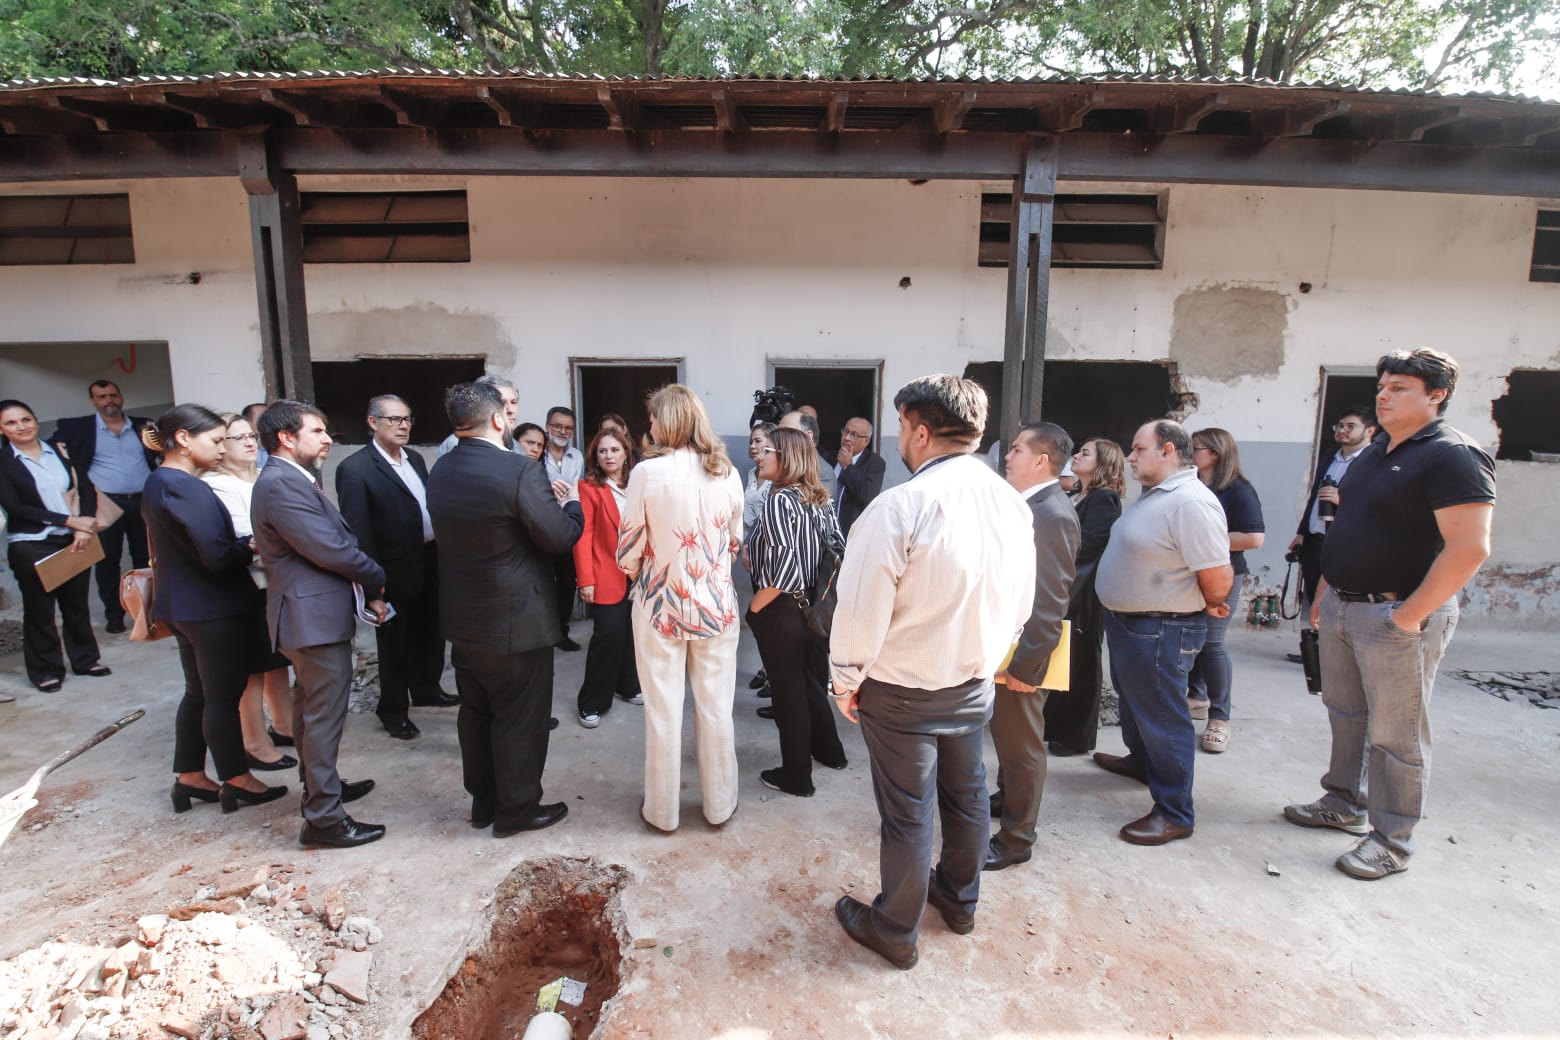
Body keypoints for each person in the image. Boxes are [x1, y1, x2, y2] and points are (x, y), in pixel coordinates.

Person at [828, 375, 1035, 970]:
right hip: (971, 683)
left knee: (908, 811)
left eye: (901, 427)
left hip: (902, 691)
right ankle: (959, 898)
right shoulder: (1010, 503)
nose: (900, 438)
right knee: (966, 796)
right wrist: (988, 657)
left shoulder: (900, 506)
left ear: (920, 431)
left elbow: (861, 607)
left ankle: (895, 927)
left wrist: (844, 681)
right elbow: (1022, 599)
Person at [1285, 348, 1494, 881]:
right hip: (1343, 607)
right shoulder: (1374, 452)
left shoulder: (1452, 455)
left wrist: (1409, 617)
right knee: (1346, 714)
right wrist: (1326, 591)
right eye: (1383, 385)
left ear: (1437, 395)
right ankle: (1343, 803)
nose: (1384, 394)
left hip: (1396, 615)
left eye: (1400, 387)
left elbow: (1469, 548)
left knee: (1396, 734)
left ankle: (1392, 839)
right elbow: (1350, 527)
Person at [428, 383, 584, 838]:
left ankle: (484, 803)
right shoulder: (517, 470)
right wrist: (571, 505)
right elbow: (557, 537)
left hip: (464, 617)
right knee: (520, 718)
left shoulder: (441, 468)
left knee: (476, 715)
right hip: (516, 620)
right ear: (498, 420)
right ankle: (516, 809)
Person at [252, 400, 389, 850]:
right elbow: (330, 548)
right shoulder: (280, 485)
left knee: (310, 714)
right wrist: (376, 577)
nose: (327, 438)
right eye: (317, 430)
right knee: (323, 716)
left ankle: (321, 791)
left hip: (311, 616)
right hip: (310, 619)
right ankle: (325, 820)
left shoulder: (289, 479)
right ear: (286, 438)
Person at [142, 405, 287, 814]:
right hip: (212, 608)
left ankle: (189, 775)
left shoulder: (158, 481)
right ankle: (236, 778)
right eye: (216, 440)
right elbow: (217, 556)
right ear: (184, 440)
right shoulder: (190, 487)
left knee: (199, 693)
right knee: (222, 697)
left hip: (183, 606)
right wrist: (250, 545)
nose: (223, 449)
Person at [1093, 420, 1233, 846]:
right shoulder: (1159, 495)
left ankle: (1175, 812)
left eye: (1138, 449)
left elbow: (1217, 578)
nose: (1131, 458)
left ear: (1168, 450)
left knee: (1164, 716)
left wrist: (1208, 602)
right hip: (1132, 623)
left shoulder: (1191, 503)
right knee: (1137, 705)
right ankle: (1142, 762)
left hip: (1162, 628)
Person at [617, 384, 745, 832]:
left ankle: (663, 812)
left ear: (666, 420)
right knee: (715, 709)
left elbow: (629, 547)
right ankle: (720, 805)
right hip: (716, 606)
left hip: (659, 606)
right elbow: (734, 541)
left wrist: (643, 573)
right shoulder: (727, 472)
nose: (647, 425)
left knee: (663, 710)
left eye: (651, 417)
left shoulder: (646, 474)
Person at [335, 395, 456, 743]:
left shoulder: (415, 459)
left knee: (432, 632)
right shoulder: (356, 469)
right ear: (373, 422)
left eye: (407, 419)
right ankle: (393, 710)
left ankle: (426, 688)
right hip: (391, 570)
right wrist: (372, 587)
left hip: (429, 559)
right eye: (394, 419)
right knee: (395, 644)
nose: (403, 426)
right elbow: (358, 532)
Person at [986, 422, 1080, 871]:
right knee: (1007, 739)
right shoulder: (1031, 506)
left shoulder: (1052, 514)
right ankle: (1008, 801)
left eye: (1018, 449)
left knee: (1022, 746)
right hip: (1008, 643)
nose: (1008, 456)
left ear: (1041, 460)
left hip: (1025, 652)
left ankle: (1017, 838)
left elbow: (1050, 600)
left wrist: (1027, 668)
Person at [745, 427, 848, 797]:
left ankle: (796, 775)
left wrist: (754, 610)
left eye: (767, 449)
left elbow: (784, 571)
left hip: (782, 609)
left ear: (786, 457)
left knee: (788, 696)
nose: (760, 455)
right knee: (808, 684)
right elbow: (837, 548)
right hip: (812, 606)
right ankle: (831, 752)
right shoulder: (817, 497)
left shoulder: (779, 501)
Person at [203, 412, 295, 770]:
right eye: (237, 438)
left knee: (275, 662)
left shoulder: (260, 476)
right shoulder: (216, 485)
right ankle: (255, 743)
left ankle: (284, 726)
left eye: (251, 436)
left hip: (273, 582)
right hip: (245, 585)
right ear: (220, 447)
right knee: (251, 671)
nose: (249, 443)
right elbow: (248, 534)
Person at [0, 400, 111, 692]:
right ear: (1, 429)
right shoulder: (4, 462)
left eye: (25, 418)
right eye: (11, 423)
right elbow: (15, 506)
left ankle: (85, 660)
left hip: (76, 537)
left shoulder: (60, 450)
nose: (21, 426)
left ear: (36, 419)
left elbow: (85, 488)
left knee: (76, 605)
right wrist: (68, 521)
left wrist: (84, 525)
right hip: (32, 543)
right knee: (40, 610)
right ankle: (46, 670)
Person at [49, 380, 158, 634]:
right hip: (106, 502)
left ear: (121, 397)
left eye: (113, 395)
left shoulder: (143, 425)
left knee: (147, 559)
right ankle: (114, 615)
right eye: (101, 396)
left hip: (143, 499)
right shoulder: (79, 428)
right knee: (108, 561)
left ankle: (147, 613)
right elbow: (52, 449)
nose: (109, 400)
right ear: (93, 401)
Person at [1042, 437, 1125, 756]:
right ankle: (1058, 727)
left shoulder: (1104, 499)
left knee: (1083, 664)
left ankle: (1077, 737)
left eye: (1085, 453)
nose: (1076, 456)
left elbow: (1088, 545)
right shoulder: (1080, 494)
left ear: (1103, 463)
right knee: (1068, 660)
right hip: (1070, 586)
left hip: (1085, 593)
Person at [1187, 428, 1265, 753]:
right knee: (1194, 637)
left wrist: (1203, 542)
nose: (1190, 454)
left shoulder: (1239, 491)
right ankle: (1196, 696)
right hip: (1192, 573)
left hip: (1225, 574)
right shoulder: (1192, 485)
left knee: (1213, 642)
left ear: (1215, 453)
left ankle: (1220, 718)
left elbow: (1254, 538)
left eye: (1196, 449)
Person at [1286, 405, 1377, 662]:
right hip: (1317, 536)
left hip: (1346, 539)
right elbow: (1315, 495)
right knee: (1315, 592)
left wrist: (1343, 499)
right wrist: (1302, 531)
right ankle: (1318, 649)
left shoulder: (1373, 461)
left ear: (1370, 431)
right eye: (1340, 426)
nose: (1343, 431)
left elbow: (1373, 503)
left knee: (1337, 596)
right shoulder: (1330, 457)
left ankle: (1336, 654)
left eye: (1351, 426)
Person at [573, 427, 643, 728]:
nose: (609, 455)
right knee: (609, 635)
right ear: (595, 456)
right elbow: (583, 535)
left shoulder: (638, 483)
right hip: (605, 573)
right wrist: (585, 579)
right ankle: (591, 701)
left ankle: (627, 685)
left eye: (614, 449)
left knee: (632, 635)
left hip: (639, 573)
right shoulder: (589, 487)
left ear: (626, 452)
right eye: (602, 451)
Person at [541, 406, 585, 651]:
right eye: (558, 426)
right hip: (541, 526)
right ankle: (543, 634)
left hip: (567, 528)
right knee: (542, 581)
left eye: (568, 428)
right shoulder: (537, 454)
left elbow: (578, 492)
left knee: (567, 582)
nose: (563, 431)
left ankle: (561, 633)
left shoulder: (576, 457)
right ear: (548, 426)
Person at [438, 375, 520, 456]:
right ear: (481, 405)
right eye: (502, 403)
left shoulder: (517, 447)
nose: (511, 410)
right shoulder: (457, 444)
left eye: (513, 402)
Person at [834, 416, 886, 541]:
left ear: (866, 441)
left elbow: (868, 495)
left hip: (851, 535)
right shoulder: (830, 457)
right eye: (846, 432)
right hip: (824, 531)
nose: (847, 438)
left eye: (854, 435)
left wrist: (847, 467)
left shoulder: (875, 463)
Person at [778, 410, 837, 503]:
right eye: (778, 433)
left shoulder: (822, 473)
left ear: (808, 436)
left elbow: (808, 512)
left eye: (787, 432)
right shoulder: (783, 465)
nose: (779, 439)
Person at [242, 403, 270, 470]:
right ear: (247, 422)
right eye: (262, 418)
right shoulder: (242, 447)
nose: (268, 421)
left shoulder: (278, 444)